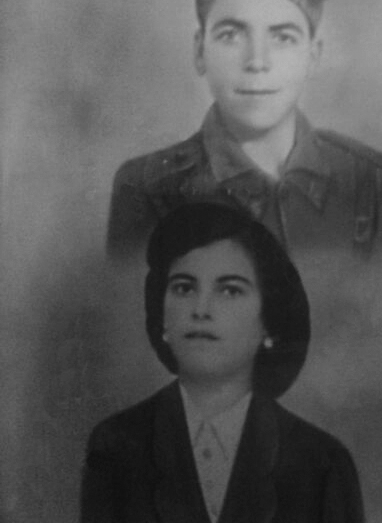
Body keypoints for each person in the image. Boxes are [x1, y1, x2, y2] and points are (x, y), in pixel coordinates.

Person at [107, 0, 382, 259]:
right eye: (231, 35)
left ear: (313, 56)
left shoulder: (370, 181)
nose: (257, 61)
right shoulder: (150, 189)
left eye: (283, 37)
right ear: (200, 51)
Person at [82, 202, 364, 522]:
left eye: (229, 291)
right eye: (184, 288)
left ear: (268, 320)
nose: (201, 309)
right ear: (162, 315)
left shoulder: (322, 462)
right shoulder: (115, 447)